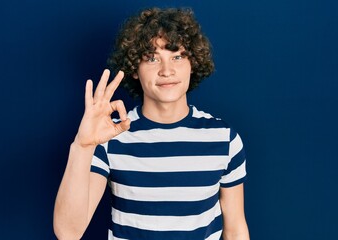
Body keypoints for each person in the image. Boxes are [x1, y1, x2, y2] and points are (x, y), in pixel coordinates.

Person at [53, 7, 249, 240]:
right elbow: (68, 233)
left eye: (177, 56)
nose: (167, 71)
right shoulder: (110, 136)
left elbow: (235, 229)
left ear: (193, 63)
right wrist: (82, 146)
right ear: (135, 68)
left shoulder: (224, 139)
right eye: (152, 58)